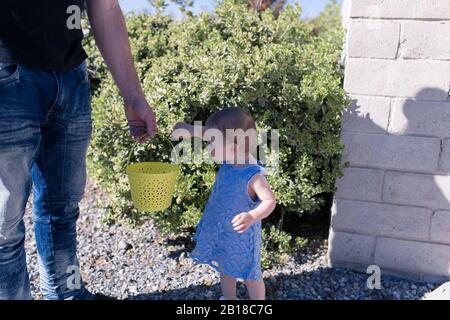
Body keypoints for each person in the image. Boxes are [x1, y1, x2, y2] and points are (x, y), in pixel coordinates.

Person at [0, 0, 157, 300]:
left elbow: (105, 6)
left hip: (71, 77)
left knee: (62, 209)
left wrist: (133, 95)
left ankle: (66, 294)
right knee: (3, 227)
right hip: (7, 76)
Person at [173, 108, 276, 300]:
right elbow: (210, 133)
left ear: (234, 146)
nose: (207, 146)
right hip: (223, 229)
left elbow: (269, 201)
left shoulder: (253, 175)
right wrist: (189, 129)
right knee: (224, 264)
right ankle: (229, 300)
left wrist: (252, 216)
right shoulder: (230, 159)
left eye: (212, 143)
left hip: (243, 236)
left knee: (250, 276)